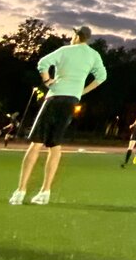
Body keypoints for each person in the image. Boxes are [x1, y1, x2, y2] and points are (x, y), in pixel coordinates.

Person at [9, 26, 106, 205]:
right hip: (71, 101)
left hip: (54, 98)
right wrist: (81, 92)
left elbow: (42, 63)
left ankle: (20, 191)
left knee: (36, 144)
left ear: (77, 36)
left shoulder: (65, 50)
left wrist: (47, 81)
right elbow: (102, 77)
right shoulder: (94, 55)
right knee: (55, 146)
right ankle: (45, 192)